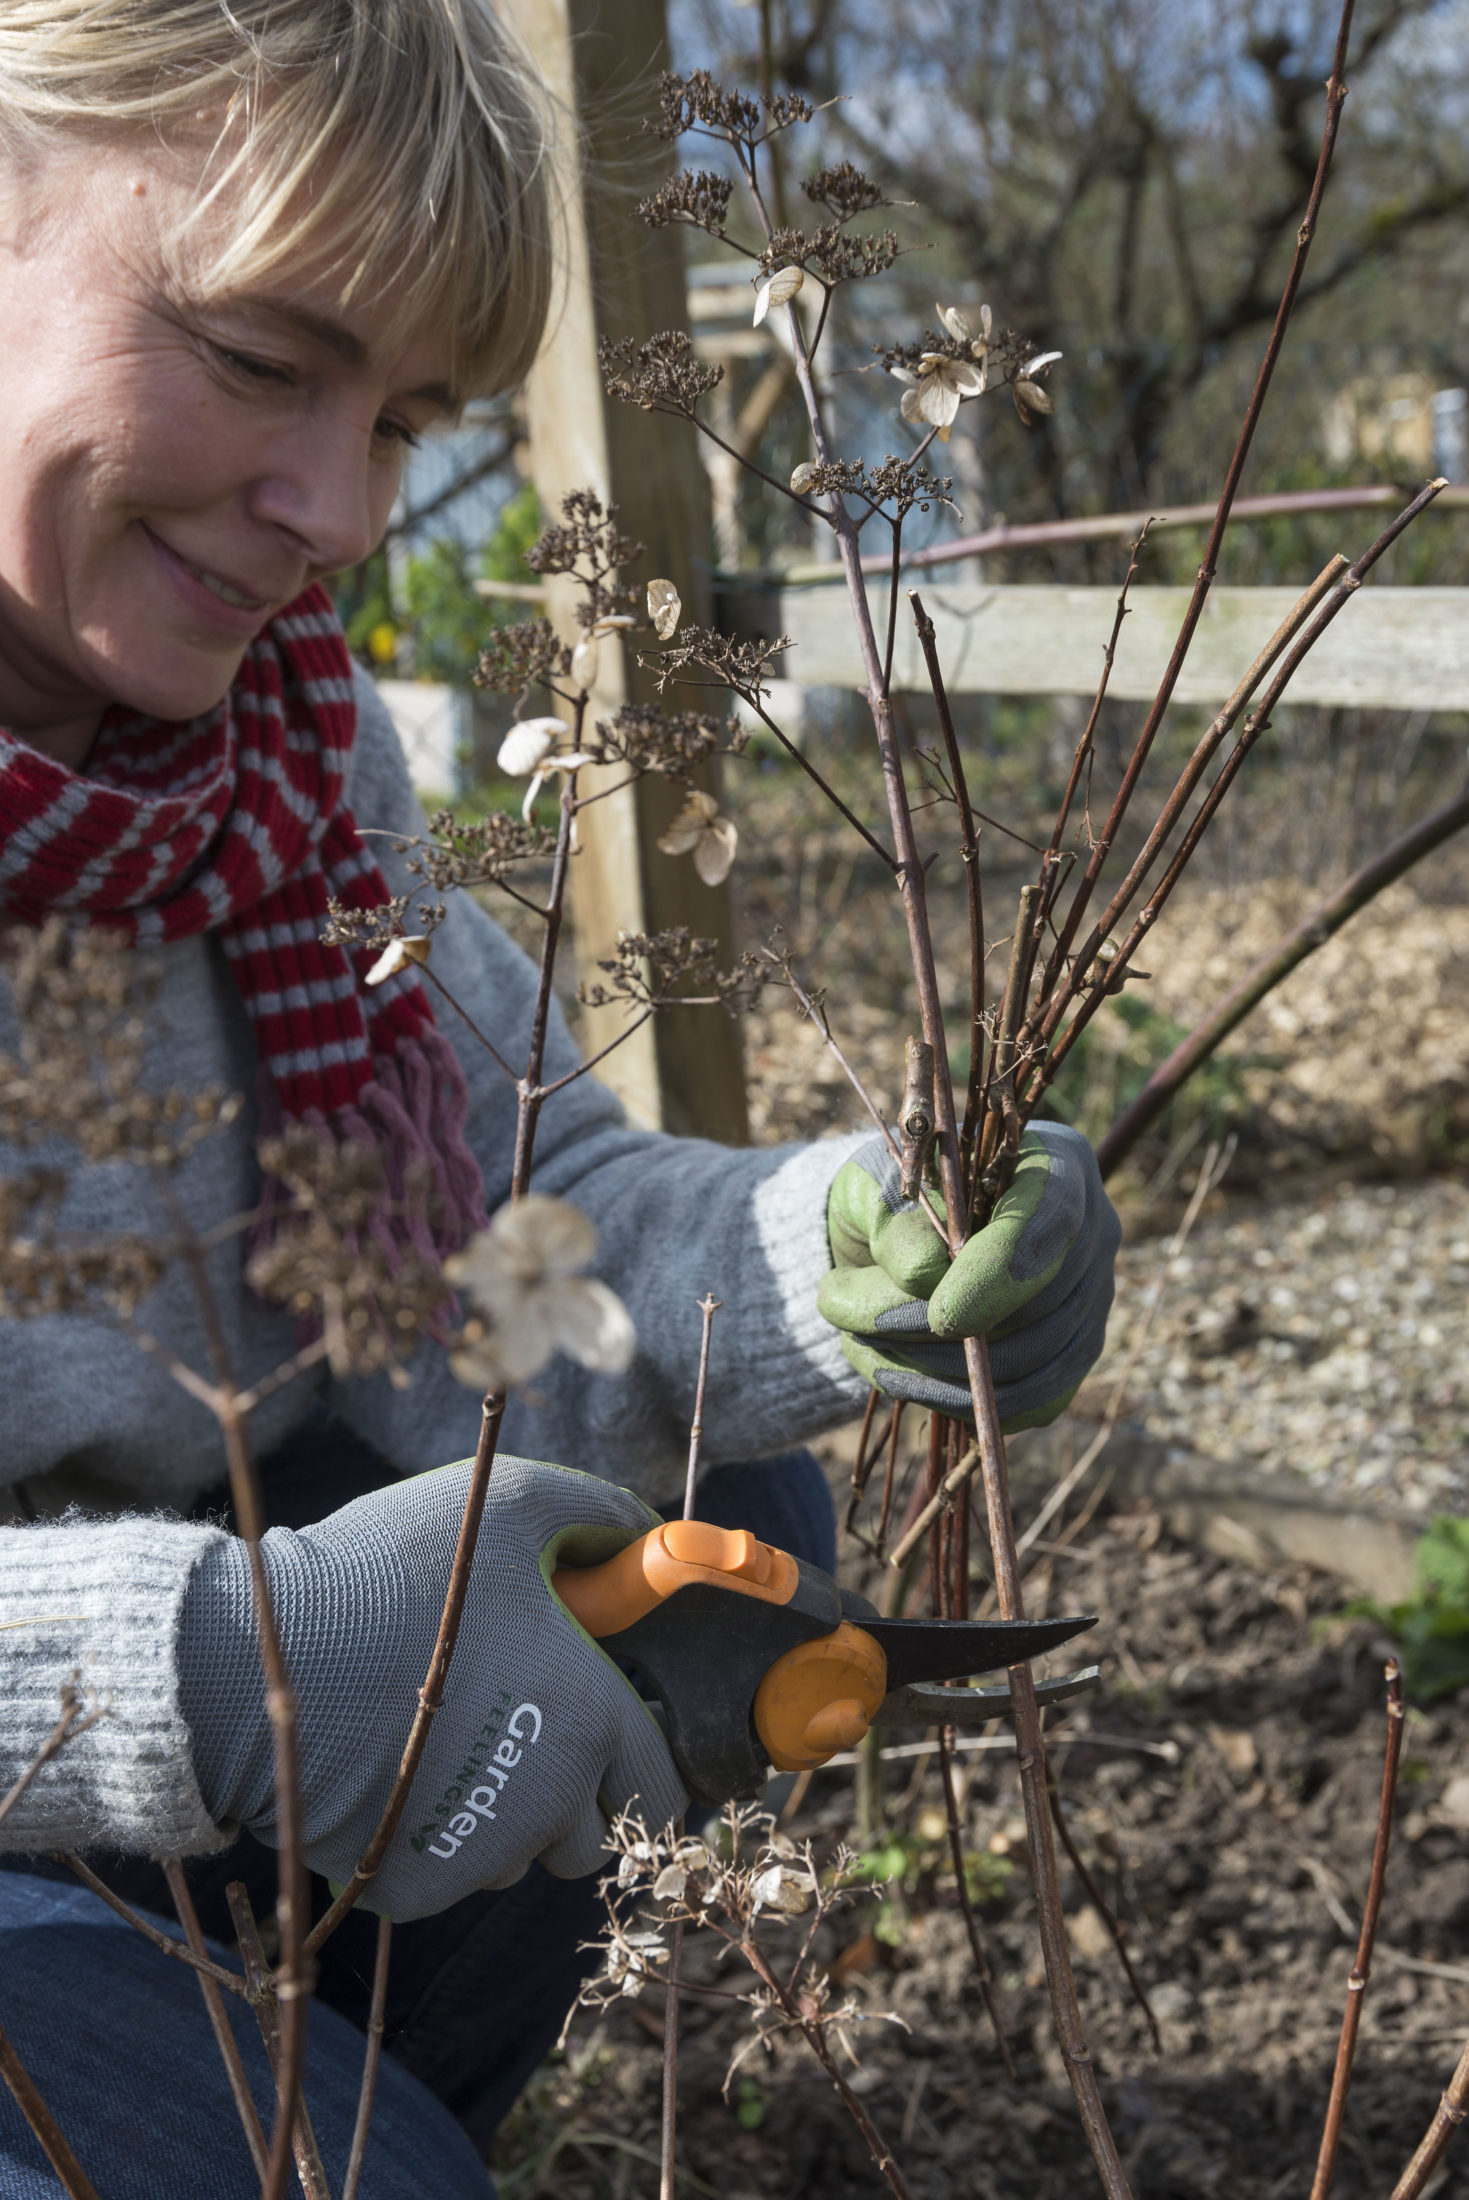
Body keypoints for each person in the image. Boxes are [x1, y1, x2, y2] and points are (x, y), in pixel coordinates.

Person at [0, 2, 1121, 2191]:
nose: (337, 509)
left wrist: (850, 1253)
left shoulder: (282, 752)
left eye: (407, 416)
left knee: (715, 1514)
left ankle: (287, 2087)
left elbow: (529, 1201)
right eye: (254, 353)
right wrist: (242, 1670)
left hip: (122, 1718)